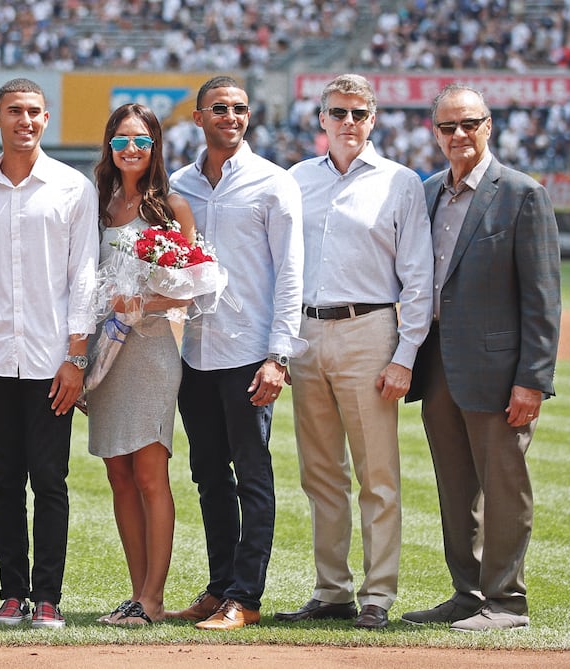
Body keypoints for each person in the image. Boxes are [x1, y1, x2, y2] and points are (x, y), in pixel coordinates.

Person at [402, 84, 561, 632]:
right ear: (435, 131)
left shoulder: (522, 194)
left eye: (469, 123)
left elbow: (542, 298)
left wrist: (532, 380)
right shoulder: (425, 193)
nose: (459, 135)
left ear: (488, 126)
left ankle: (506, 601)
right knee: (454, 485)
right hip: (438, 360)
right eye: (447, 127)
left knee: (504, 484)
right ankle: (467, 594)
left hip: (498, 371)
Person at [279, 74, 434, 630]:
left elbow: (419, 276)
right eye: (338, 112)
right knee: (320, 473)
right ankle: (331, 590)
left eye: (359, 114)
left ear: (374, 120)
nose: (348, 122)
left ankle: (378, 594)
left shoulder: (400, 182)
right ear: (321, 118)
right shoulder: (296, 179)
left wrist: (406, 354)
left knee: (377, 474)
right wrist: (283, 344)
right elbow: (284, 267)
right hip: (306, 333)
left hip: (370, 330)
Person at [0, 77, 99, 629]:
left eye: (34, 112)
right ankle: (12, 594)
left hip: (51, 360)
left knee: (50, 479)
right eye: (15, 111)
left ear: (46, 118)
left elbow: (84, 278)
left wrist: (76, 358)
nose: (25, 121)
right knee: (4, 480)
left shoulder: (72, 188)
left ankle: (49, 596)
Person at [166, 76, 306, 631]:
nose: (231, 115)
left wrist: (279, 356)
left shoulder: (275, 183)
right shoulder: (179, 184)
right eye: (219, 108)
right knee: (208, 474)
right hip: (196, 351)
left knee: (253, 475)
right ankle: (220, 585)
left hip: (251, 353)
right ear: (199, 118)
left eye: (240, 108)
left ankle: (245, 597)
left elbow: (292, 273)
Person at [86, 103, 196, 626]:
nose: (132, 149)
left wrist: (140, 305)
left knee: (151, 475)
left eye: (143, 141)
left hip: (151, 351)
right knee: (119, 475)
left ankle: (153, 598)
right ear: (109, 146)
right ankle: (136, 595)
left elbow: (190, 291)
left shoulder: (170, 207)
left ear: (156, 148)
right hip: (104, 356)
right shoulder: (96, 207)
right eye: (123, 140)